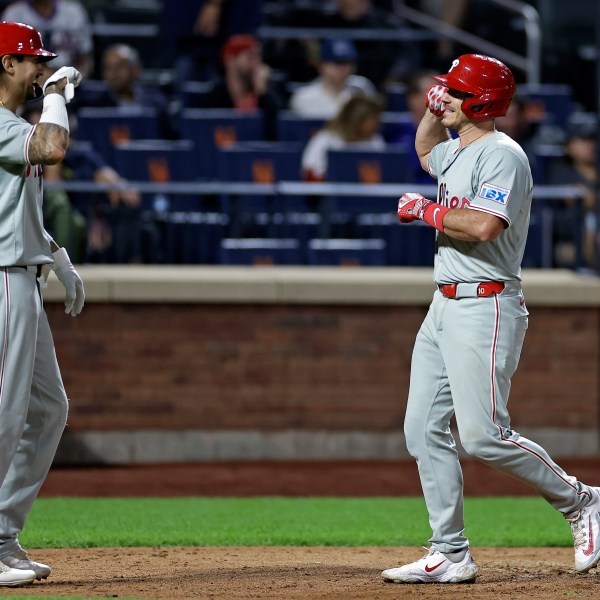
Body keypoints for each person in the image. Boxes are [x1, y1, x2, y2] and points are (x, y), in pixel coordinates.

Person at [380, 54, 600, 584]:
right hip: (444, 305)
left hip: (487, 304)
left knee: (482, 436)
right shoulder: (458, 147)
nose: (443, 98)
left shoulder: (504, 155)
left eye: (453, 93)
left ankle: (583, 501)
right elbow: (426, 150)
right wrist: (435, 113)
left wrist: (425, 212)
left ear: (480, 103)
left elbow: (484, 226)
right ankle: (449, 552)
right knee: (422, 429)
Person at [0, 21, 85, 585]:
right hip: (3, 278)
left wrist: (55, 254)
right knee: (5, 418)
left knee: (48, 410)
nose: (40, 70)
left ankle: (3, 534)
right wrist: (55, 96)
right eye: (32, 61)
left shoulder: (12, 123)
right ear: (6, 63)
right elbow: (52, 148)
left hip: (22, 272)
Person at [75, 43, 176, 140]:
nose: (113, 74)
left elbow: (169, 139)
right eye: (108, 68)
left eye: (119, 67)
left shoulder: (155, 103)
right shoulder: (95, 104)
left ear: (136, 70)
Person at [196, 34, 283, 140]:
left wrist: (262, 92)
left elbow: (276, 135)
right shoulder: (213, 99)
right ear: (230, 59)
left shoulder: (268, 94)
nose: (258, 63)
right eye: (250, 57)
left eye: (259, 57)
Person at [544, 120, 598, 270]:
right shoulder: (561, 170)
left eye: (593, 140)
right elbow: (580, 201)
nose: (590, 145)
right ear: (569, 147)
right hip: (571, 238)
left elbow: (592, 200)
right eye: (582, 140)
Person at [301, 93, 385, 181]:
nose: (376, 124)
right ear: (356, 119)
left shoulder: (375, 141)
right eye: (371, 120)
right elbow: (310, 172)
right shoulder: (325, 139)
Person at [1, 0, 94, 78]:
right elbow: (7, 59)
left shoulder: (73, 11)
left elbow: (84, 57)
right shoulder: (14, 13)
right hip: (26, 80)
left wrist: (71, 80)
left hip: (68, 79)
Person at [289, 38, 377, 120]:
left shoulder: (362, 89)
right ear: (321, 65)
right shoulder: (304, 97)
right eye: (337, 63)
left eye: (348, 62)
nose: (343, 68)